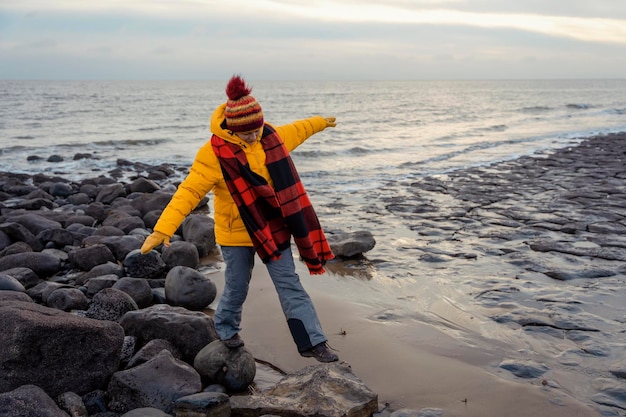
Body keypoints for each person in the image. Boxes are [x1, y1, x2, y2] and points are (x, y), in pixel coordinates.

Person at [140, 75, 339, 362]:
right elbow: (188, 192)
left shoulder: (270, 138)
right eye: (247, 133)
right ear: (233, 129)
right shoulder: (213, 155)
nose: (254, 136)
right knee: (237, 286)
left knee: (290, 284)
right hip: (235, 235)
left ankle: (314, 343)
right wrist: (162, 229)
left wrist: (320, 121)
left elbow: (299, 129)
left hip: (273, 228)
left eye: (257, 129)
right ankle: (226, 328)